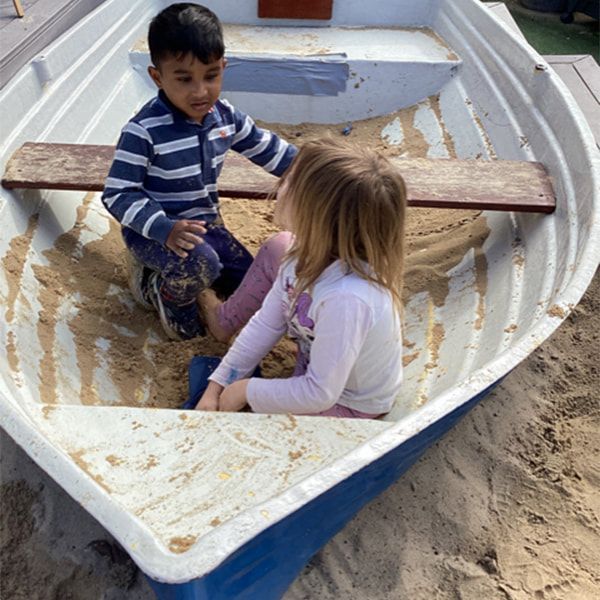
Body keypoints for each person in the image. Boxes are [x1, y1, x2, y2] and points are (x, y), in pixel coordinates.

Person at [101, 3, 297, 340]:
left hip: (205, 223)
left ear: (223, 66)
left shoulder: (224, 117)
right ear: (157, 77)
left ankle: (186, 278)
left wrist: (307, 168)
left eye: (211, 76)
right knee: (199, 270)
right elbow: (118, 194)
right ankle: (157, 291)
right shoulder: (144, 131)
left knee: (248, 279)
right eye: (184, 79)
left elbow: (265, 146)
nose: (200, 91)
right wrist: (164, 228)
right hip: (155, 232)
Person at [196, 138, 407, 419]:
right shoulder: (300, 255)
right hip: (317, 376)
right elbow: (265, 324)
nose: (281, 183)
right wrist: (218, 384)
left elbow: (319, 394)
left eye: (291, 180)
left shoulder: (347, 298)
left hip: (348, 405)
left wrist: (246, 390)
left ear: (314, 215)